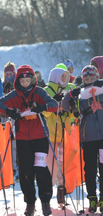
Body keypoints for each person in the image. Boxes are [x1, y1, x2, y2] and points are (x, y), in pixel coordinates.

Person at [0, 64, 58, 216]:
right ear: (17, 82)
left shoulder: (39, 92)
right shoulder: (15, 94)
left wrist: (42, 107)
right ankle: (30, 202)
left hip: (40, 136)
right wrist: (10, 112)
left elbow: (54, 105)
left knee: (41, 169)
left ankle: (45, 201)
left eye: (27, 81)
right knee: (26, 171)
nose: (25, 84)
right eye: (22, 82)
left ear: (32, 80)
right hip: (22, 138)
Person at [61, 65, 103, 213]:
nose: (90, 81)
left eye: (92, 78)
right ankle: (92, 198)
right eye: (87, 78)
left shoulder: (101, 88)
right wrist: (73, 93)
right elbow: (65, 105)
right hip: (88, 137)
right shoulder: (80, 93)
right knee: (90, 169)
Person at [43, 67, 76, 205]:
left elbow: (72, 113)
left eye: (65, 77)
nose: (63, 80)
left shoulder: (68, 91)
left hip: (63, 132)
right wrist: (53, 104)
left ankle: (61, 189)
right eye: (61, 77)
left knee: (63, 162)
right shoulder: (46, 91)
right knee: (51, 164)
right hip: (51, 133)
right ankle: (47, 193)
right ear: (55, 76)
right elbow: (44, 113)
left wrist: (69, 110)